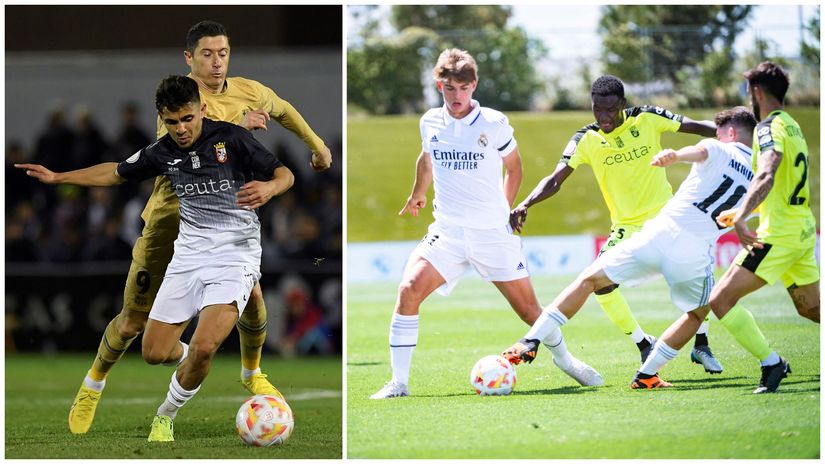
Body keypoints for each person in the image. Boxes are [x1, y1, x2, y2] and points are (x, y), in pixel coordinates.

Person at [64, 20, 332, 435]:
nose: (216, 62)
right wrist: (242, 130)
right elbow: (194, 150)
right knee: (133, 324)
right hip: (169, 223)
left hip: (226, 228)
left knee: (254, 299)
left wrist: (316, 145)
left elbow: (282, 108)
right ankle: (92, 385)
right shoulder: (179, 103)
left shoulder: (248, 90)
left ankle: (249, 371)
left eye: (223, 53)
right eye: (207, 54)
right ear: (189, 58)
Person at [17, 75, 294, 441]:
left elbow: (284, 172)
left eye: (188, 119)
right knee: (153, 351)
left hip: (234, 257)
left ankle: (165, 414)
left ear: (202, 110)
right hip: (188, 258)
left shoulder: (232, 138)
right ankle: (196, 363)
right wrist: (58, 177)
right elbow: (115, 173)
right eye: (173, 121)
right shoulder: (163, 151)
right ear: (163, 117)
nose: (181, 129)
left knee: (204, 345)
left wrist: (271, 187)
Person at [370, 49, 602, 400]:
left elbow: (515, 168)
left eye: (463, 87)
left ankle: (568, 361)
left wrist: (503, 210)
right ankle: (398, 383)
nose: (457, 95)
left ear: (474, 85)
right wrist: (418, 191)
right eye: (449, 88)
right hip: (447, 234)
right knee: (408, 290)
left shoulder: (493, 123)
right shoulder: (429, 121)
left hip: (492, 235)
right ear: (439, 85)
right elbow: (427, 155)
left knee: (529, 311)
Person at [503, 107, 765, 389]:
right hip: (638, 229)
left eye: (609, 106)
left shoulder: (647, 117)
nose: (603, 114)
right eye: (597, 105)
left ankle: (702, 345)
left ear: (621, 103)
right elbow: (556, 178)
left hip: (663, 222)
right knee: (608, 286)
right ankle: (645, 347)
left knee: (593, 280)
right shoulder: (586, 138)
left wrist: (686, 150)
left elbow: (693, 131)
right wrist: (527, 202)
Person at [705, 61, 818, 393]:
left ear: (755, 92)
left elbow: (767, 173)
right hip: (801, 231)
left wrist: (740, 215)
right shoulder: (793, 125)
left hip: (777, 236)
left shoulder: (767, 129)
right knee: (811, 309)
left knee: (720, 301)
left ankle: (772, 364)